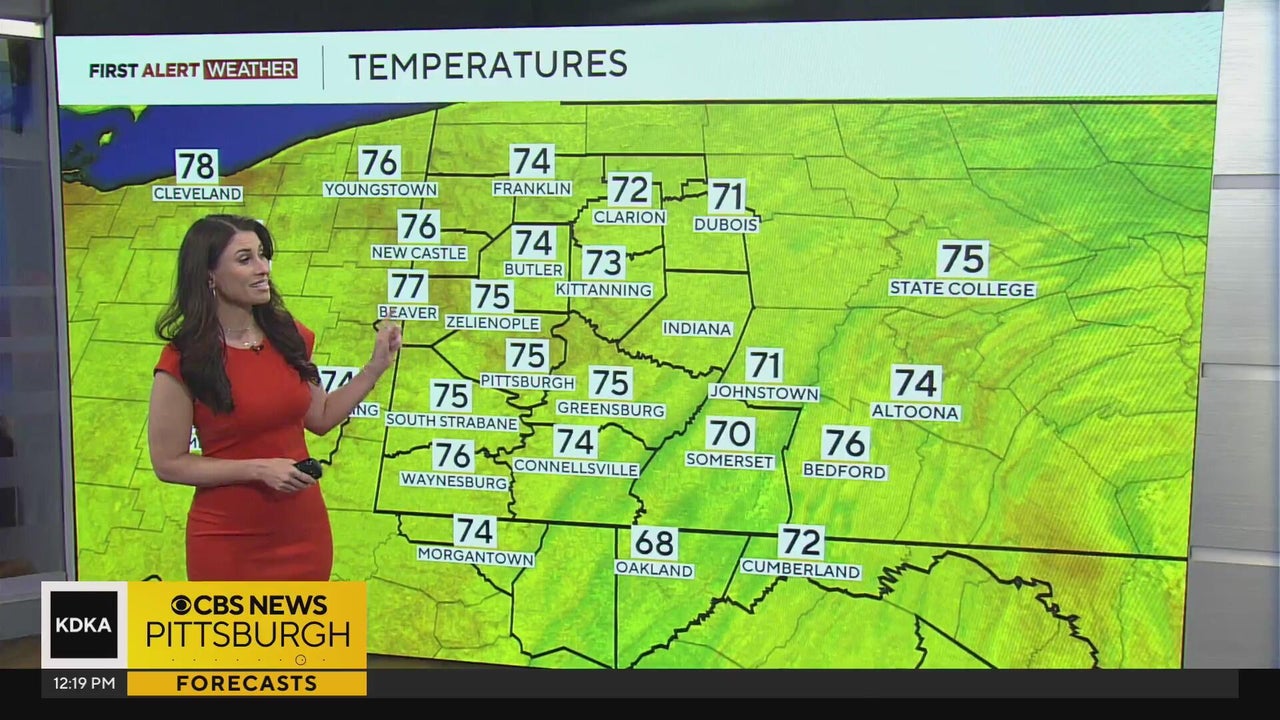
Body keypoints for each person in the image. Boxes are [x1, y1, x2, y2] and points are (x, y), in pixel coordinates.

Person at [147, 214, 401, 581]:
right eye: (245, 259)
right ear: (209, 275)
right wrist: (257, 469)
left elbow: (321, 417)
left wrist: (375, 368)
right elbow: (169, 464)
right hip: (228, 541)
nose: (263, 268)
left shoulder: (288, 335)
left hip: (303, 535)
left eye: (263, 255)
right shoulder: (185, 360)